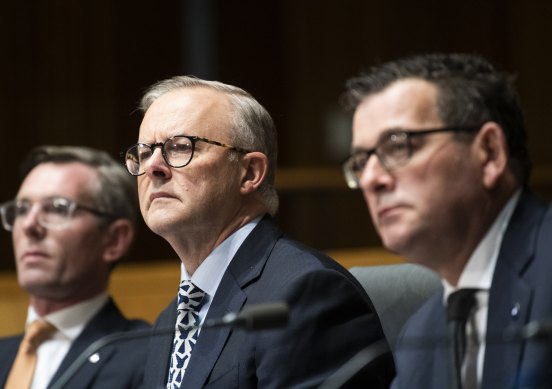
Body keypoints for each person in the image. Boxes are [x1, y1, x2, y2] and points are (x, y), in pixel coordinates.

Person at [122, 76, 395, 388]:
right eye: (144, 153)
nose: (154, 167)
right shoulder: (169, 321)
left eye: (181, 147)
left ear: (249, 172)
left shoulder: (304, 294)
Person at [342, 52, 552, 388]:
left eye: (398, 146)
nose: (370, 179)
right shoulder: (421, 337)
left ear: (490, 152)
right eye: (360, 162)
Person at [0, 146, 150, 388]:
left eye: (57, 208)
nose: (29, 225)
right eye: (22, 209)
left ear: (114, 240)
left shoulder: (148, 357)